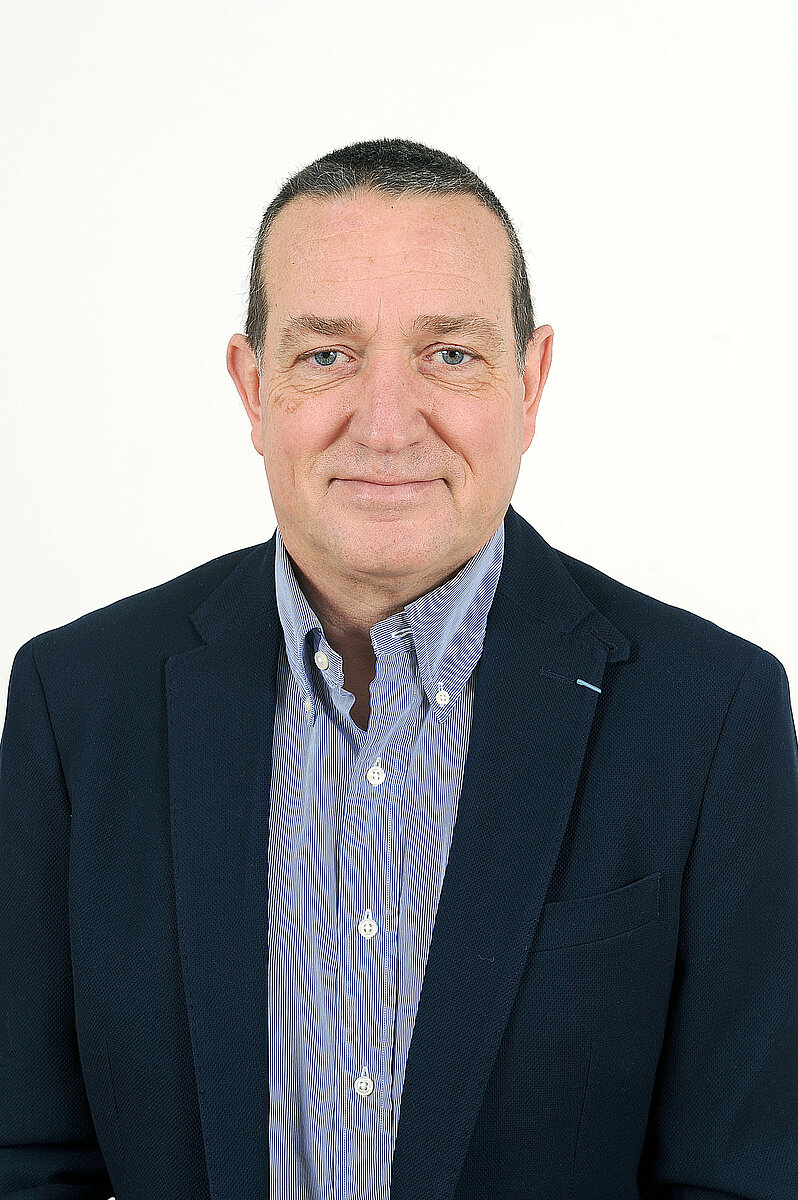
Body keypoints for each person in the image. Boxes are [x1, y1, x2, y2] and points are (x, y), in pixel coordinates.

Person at [1, 137, 796, 1200]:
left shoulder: (712, 716)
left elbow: (743, 1179)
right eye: (327, 355)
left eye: (450, 355)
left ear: (531, 382)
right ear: (252, 386)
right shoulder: (75, 704)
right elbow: (24, 1159)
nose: (386, 424)